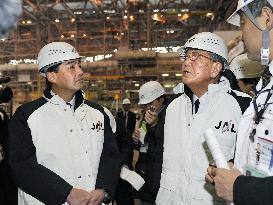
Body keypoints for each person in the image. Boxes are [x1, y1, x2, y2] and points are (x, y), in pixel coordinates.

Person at [8, 42, 122, 205]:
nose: (80, 71)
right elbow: (22, 166)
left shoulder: (98, 113)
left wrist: (104, 189)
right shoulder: (27, 116)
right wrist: (66, 193)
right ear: (51, 76)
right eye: (71, 67)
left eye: (79, 65)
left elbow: (110, 156)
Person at [156, 32, 251, 205]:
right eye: (185, 56)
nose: (186, 62)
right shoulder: (171, 108)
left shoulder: (242, 106)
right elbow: (158, 160)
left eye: (195, 56)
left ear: (215, 68)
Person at [206, 1, 273, 205]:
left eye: (243, 23)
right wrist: (237, 168)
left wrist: (240, 187)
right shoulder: (266, 85)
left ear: (266, 18)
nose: (241, 35)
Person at [132, 81, 171, 205]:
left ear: (161, 99)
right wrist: (136, 140)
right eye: (145, 105)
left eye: (150, 103)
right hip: (146, 176)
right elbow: (143, 145)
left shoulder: (171, 115)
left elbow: (166, 144)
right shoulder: (146, 117)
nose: (148, 108)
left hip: (162, 180)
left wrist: (155, 125)